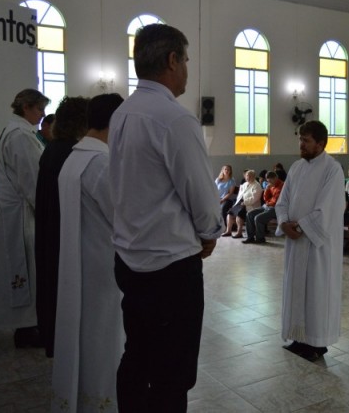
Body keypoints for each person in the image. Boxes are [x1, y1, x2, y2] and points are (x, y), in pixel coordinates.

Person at [109, 24, 223, 412]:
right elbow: (200, 192)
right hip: (170, 268)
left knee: (137, 355)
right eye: (186, 59)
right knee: (172, 373)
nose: (187, 69)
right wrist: (210, 233)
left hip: (129, 258)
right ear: (172, 60)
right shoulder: (174, 118)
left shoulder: (123, 112)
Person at [51, 93, 125, 413]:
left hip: (79, 262)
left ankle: (85, 397)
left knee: (86, 334)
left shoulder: (74, 157)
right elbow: (123, 217)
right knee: (103, 338)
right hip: (102, 266)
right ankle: (102, 401)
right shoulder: (101, 162)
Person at [276, 120, 345, 362]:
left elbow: (328, 208)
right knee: (296, 290)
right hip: (296, 243)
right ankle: (298, 338)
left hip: (317, 246)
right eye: (300, 139)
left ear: (321, 143)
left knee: (316, 293)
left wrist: (300, 226)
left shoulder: (332, 169)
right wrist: (284, 221)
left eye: (306, 141)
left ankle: (317, 343)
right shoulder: (295, 168)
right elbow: (282, 201)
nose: (301, 144)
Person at [0, 88, 50, 347]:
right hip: (21, 214)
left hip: (17, 211)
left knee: (26, 270)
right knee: (25, 269)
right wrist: (47, 212)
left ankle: (28, 325)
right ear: (26, 108)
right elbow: (32, 181)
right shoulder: (21, 136)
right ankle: (26, 329)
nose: (42, 114)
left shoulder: (17, 132)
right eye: (39, 109)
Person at [35, 96, 89, 358]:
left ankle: (53, 337)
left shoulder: (53, 148)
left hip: (50, 228)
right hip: (62, 230)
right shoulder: (71, 153)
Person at [243, 171, 284, 244]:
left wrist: (268, 203)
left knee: (258, 218)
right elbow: (265, 199)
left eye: (271, 180)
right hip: (267, 205)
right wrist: (267, 190)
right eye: (268, 181)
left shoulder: (281, 186)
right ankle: (250, 237)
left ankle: (260, 238)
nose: (269, 183)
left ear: (276, 178)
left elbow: (276, 201)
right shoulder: (270, 186)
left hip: (276, 208)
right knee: (249, 214)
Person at [222, 170, 262, 238]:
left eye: (250, 176)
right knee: (229, 213)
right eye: (247, 176)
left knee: (239, 214)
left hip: (250, 205)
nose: (248, 177)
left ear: (254, 177)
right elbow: (239, 195)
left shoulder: (257, 185)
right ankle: (228, 231)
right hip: (240, 203)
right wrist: (237, 203)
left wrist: (245, 202)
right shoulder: (244, 184)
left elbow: (255, 198)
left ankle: (239, 232)